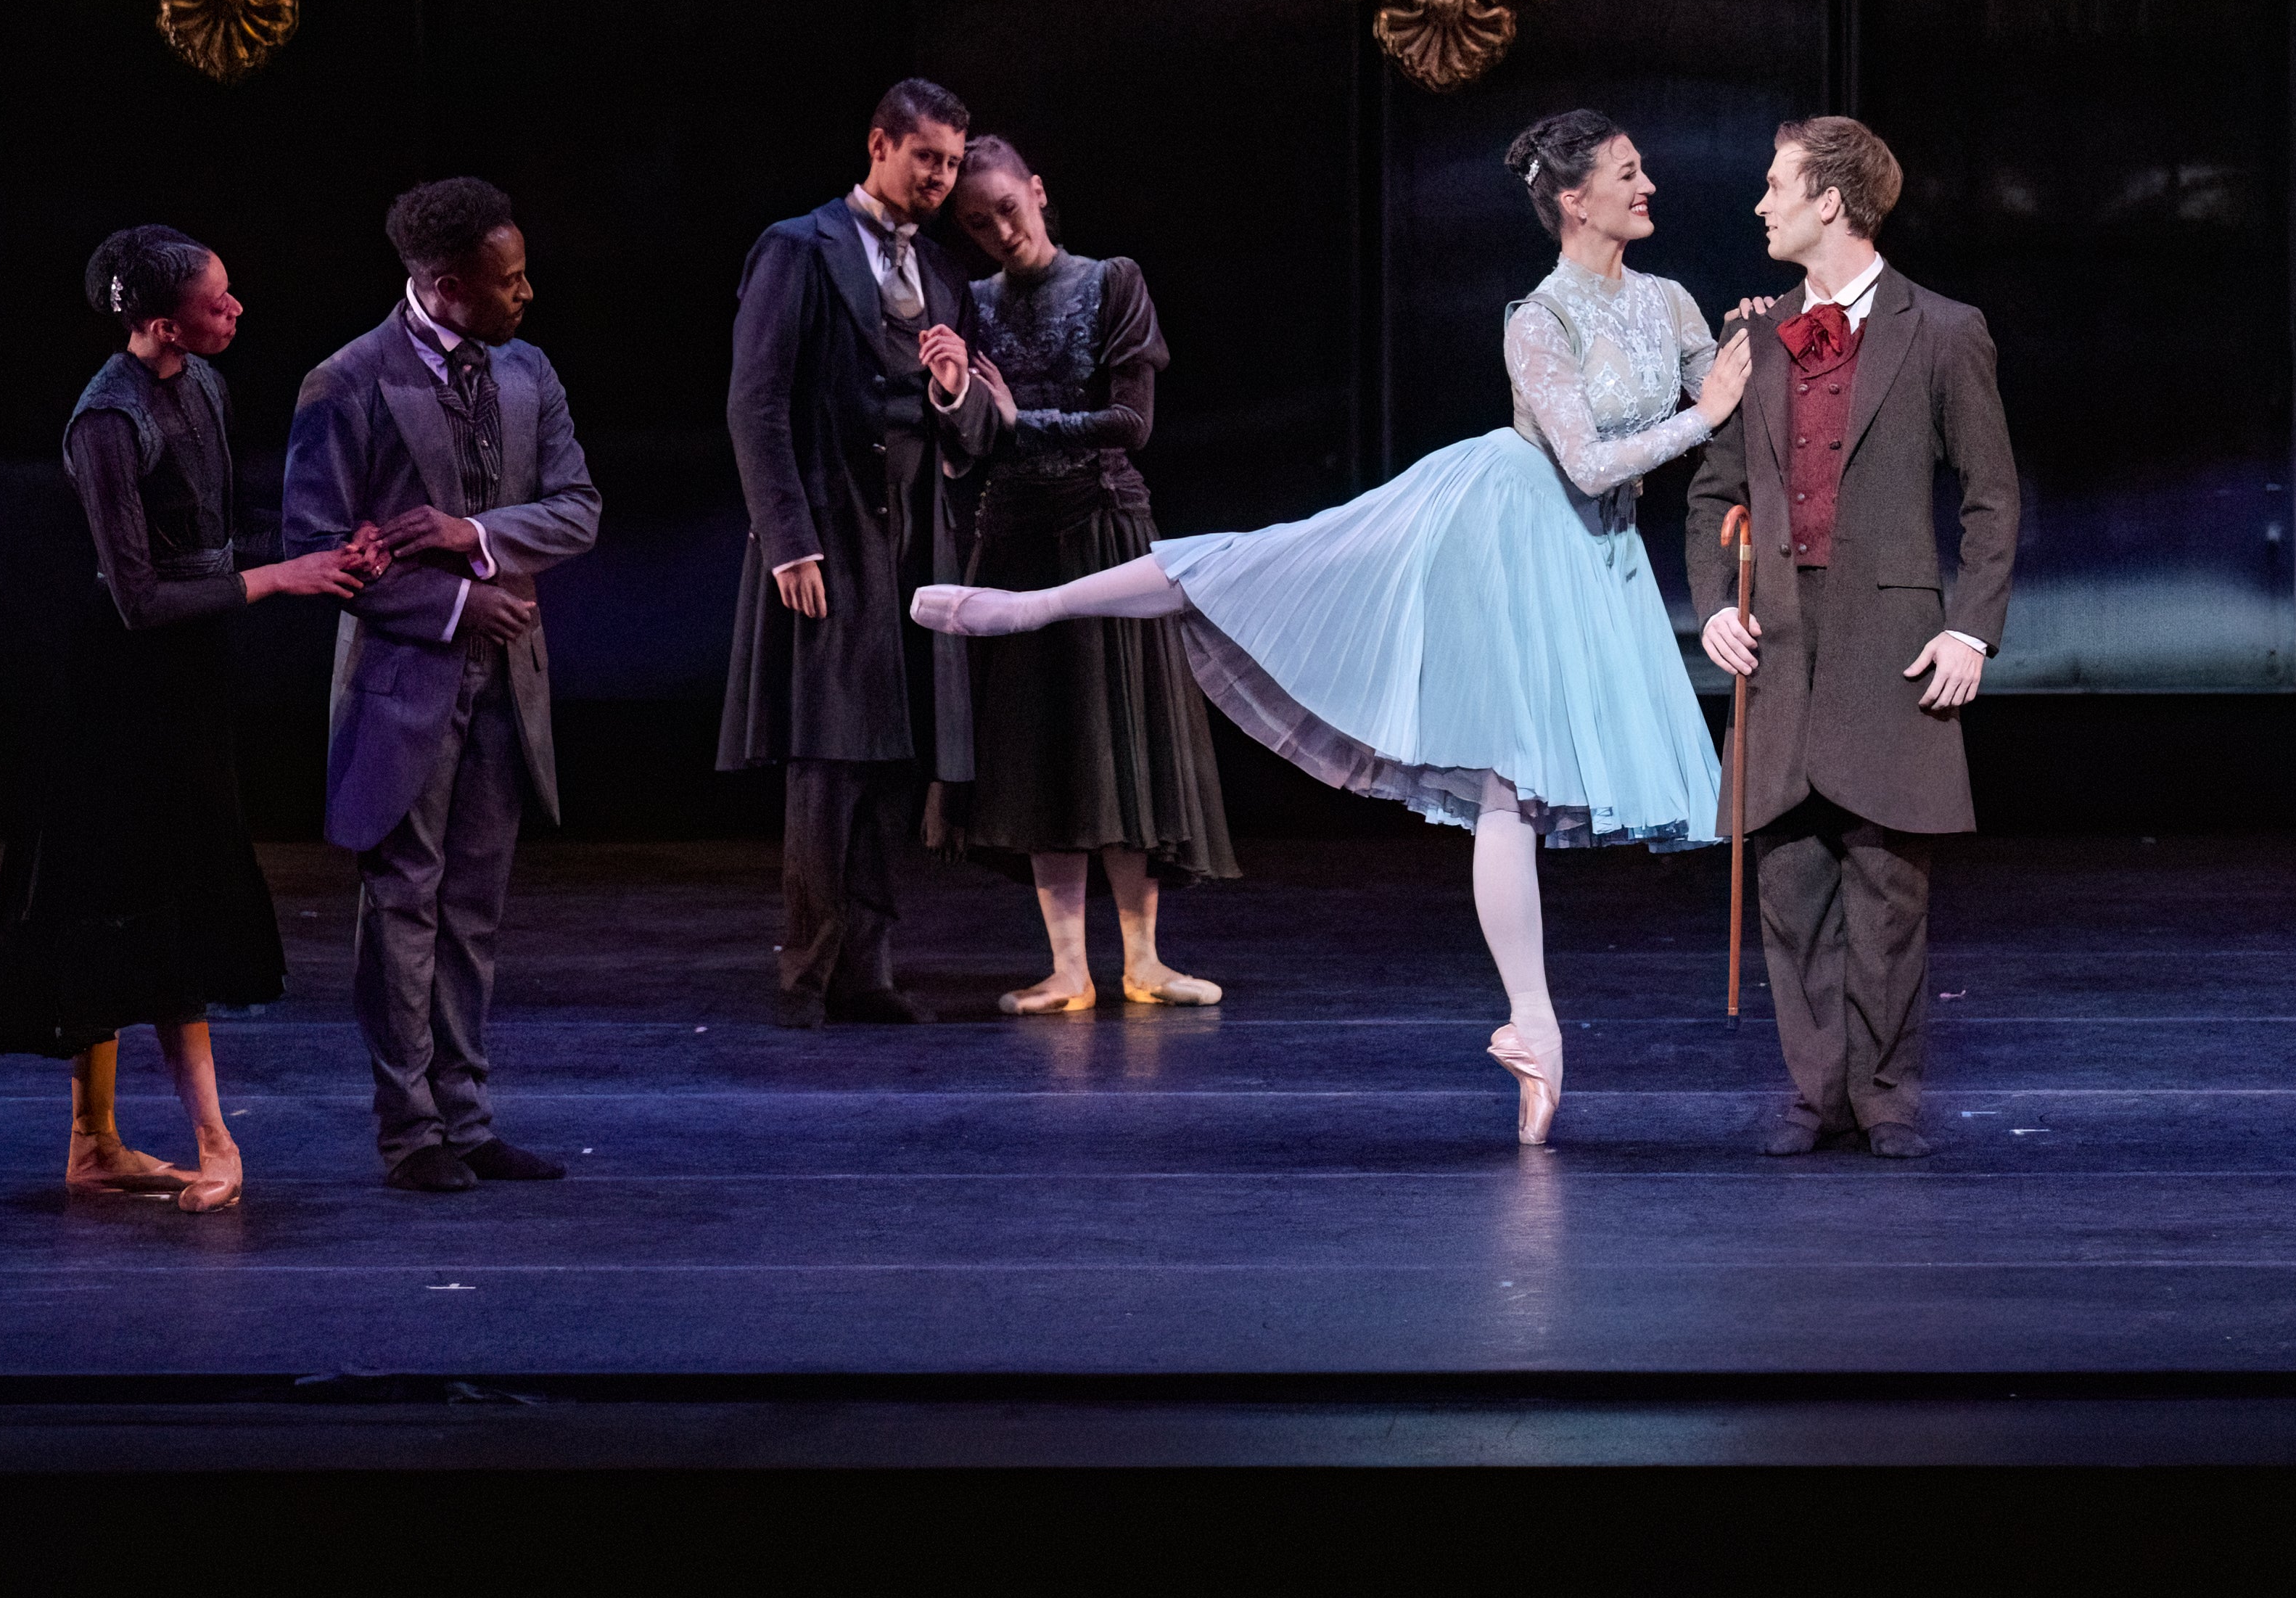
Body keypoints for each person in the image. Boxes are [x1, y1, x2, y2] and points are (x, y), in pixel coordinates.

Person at [915, 110, 1755, 1145]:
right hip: (1505, 525)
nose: (1652, 187)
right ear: (1574, 200)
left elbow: (1720, 390)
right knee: (1276, 563)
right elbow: (1588, 460)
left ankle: (1533, 1029)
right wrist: (1708, 407)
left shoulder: (1669, 301)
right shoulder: (1537, 318)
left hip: (1597, 566)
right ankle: (1031, 605)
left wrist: (1747, 353)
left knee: (1514, 788)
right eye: (1631, 173)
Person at [0, 228, 382, 1210]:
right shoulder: (106, 422)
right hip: (112, 692)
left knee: (155, 893)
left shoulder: (201, 387)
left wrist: (321, 555)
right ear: (162, 322)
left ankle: (94, 1143)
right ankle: (211, 1140)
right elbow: (138, 597)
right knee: (139, 898)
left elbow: (206, 545)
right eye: (218, 301)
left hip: (185, 678)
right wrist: (282, 577)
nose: (236, 310)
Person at [1687, 117, 2019, 1159]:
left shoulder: (1944, 330)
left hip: (1890, 648)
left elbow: (1993, 497)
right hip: (1781, 648)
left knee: (1886, 894)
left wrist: (1972, 628)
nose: (1760, 203)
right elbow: (1714, 496)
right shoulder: (1757, 337)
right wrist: (1714, 608)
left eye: (1776, 183)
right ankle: (1813, 1092)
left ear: (1831, 199)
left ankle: (1886, 1095)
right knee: (1790, 891)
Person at [284, 179, 603, 1193]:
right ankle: (408, 1127)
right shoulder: (346, 382)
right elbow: (315, 547)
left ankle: (467, 1117)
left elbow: (578, 508)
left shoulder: (527, 372)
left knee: (474, 909)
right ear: (443, 284)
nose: (526, 295)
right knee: (403, 908)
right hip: (403, 684)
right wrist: (462, 606)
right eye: (505, 281)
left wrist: (474, 537)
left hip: (507, 688)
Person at [720, 81, 1010, 1026]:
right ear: (880, 145)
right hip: (831, 530)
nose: (941, 177)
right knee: (829, 761)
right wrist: (788, 541)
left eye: (954, 163)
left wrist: (951, 389)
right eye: (927, 157)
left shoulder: (947, 274)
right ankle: (806, 973)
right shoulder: (798, 248)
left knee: (893, 757)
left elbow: (972, 430)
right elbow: (755, 403)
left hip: (917, 536)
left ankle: (869, 971)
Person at [943, 131, 1237, 1010]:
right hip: (1016, 538)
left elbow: (1129, 423)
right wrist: (957, 400)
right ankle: (1068, 966)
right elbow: (968, 447)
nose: (1001, 229)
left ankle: (1142, 959)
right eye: (978, 221)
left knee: (1122, 741)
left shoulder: (1112, 280)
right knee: (1042, 750)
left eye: (1008, 207)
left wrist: (1015, 420)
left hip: (1106, 530)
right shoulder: (972, 301)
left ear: (1037, 191)